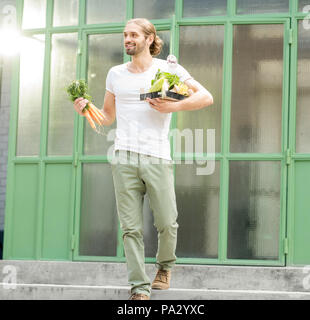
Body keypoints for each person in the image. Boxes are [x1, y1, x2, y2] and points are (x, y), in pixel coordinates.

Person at [73, 18, 213, 300]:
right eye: (125, 35)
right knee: (130, 228)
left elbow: (206, 97)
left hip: (157, 156)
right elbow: (108, 116)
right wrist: (86, 109)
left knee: (167, 221)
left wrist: (175, 104)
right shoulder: (115, 74)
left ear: (149, 39)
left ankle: (164, 266)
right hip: (123, 156)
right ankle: (139, 287)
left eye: (134, 35)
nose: (127, 39)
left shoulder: (169, 69)